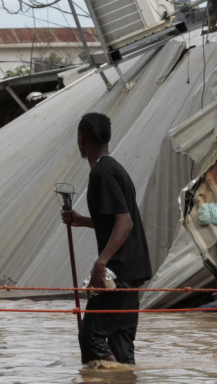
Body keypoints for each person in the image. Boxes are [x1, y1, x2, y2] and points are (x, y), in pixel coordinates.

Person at [60, 113, 152, 365]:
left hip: (118, 274)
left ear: (81, 141)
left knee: (90, 338)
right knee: (121, 347)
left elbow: (125, 222)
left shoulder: (101, 172)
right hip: (130, 276)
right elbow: (115, 221)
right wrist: (84, 221)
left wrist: (101, 263)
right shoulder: (116, 169)